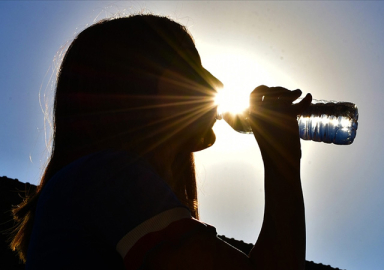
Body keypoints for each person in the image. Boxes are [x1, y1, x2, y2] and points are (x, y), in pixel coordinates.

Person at [10, 14, 312, 270]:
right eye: (192, 69)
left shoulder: (94, 183)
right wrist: (280, 158)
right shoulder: (108, 176)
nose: (217, 84)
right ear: (141, 89)